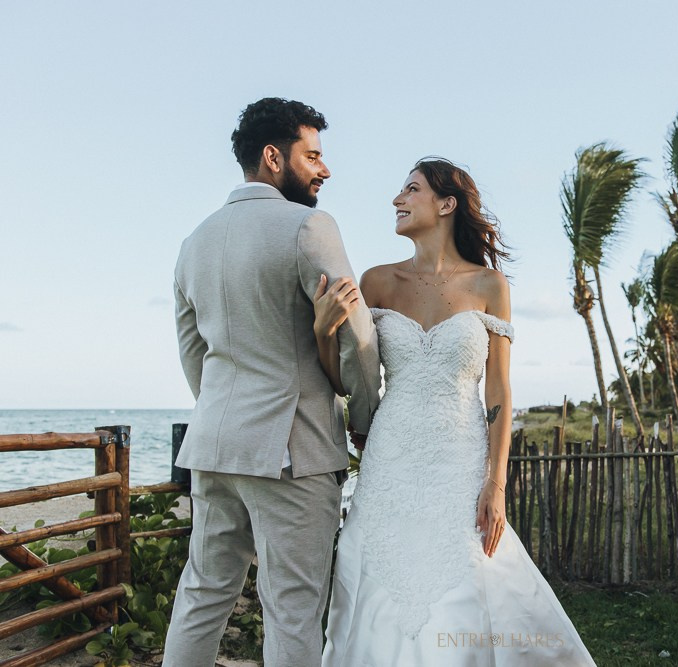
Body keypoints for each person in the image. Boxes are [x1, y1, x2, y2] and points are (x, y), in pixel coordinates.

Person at [316, 158, 596, 665]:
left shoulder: (490, 285)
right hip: (391, 458)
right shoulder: (377, 282)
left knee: (467, 575)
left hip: (460, 458)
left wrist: (496, 483)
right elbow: (345, 380)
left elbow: (499, 392)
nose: (397, 200)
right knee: (381, 577)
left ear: (446, 204)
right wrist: (322, 331)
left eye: (410, 189)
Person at [165, 97, 381, 667]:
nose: (324, 169)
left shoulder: (194, 243)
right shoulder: (309, 225)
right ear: (272, 157)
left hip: (214, 447)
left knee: (203, 594)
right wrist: (365, 419)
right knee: (292, 608)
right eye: (312, 156)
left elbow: (195, 355)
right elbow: (358, 337)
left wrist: (221, 417)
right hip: (293, 450)